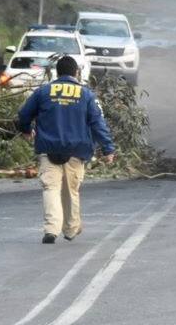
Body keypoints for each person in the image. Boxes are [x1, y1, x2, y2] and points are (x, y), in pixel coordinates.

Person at [16, 55, 116, 243]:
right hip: (77, 150)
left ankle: (51, 230)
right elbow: (97, 123)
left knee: (50, 188)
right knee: (71, 191)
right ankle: (70, 229)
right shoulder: (86, 95)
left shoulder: (43, 92)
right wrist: (108, 148)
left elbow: (23, 114)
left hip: (48, 149)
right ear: (76, 73)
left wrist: (26, 130)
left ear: (57, 72)